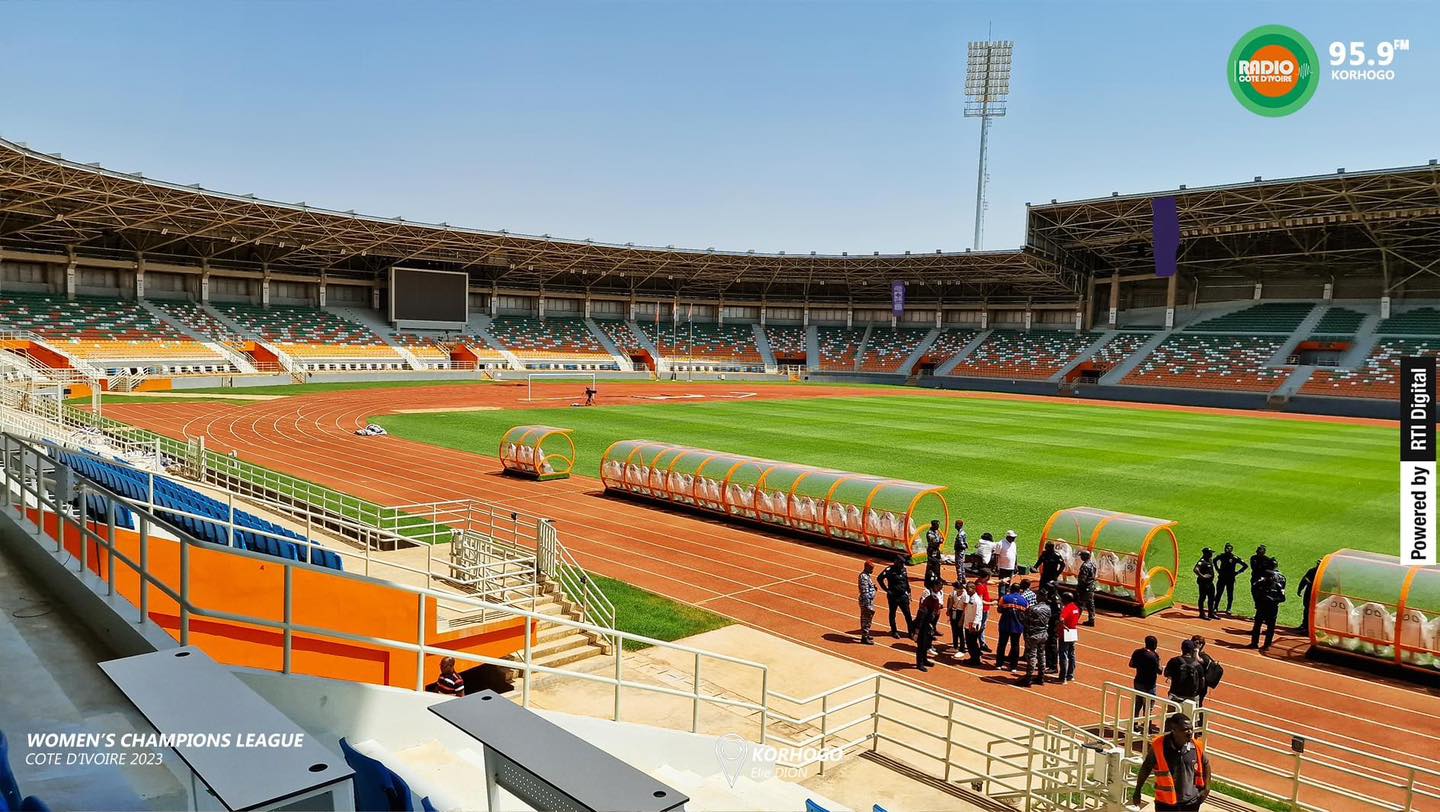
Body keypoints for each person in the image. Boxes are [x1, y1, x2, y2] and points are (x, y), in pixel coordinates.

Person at [1132, 714, 1211, 811]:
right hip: (1165, 803)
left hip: (1191, 802)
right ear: (1174, 730)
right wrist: (1138, 790)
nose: (1190, 732)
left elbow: (1206, 764)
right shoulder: (1159, 746)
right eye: (1185, 729)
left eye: (1191, 729)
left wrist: (1207, 788)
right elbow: (1146, 768)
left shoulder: (1196, 746)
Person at [1248, 562, 1287, 651]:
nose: (1268, 578)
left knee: (1270, 627)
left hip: (1272, 608)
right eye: (1267, 577)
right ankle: (1254, 643)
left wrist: (1272, 599)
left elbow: (1282, 598)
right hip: (1261, 607)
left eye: (1270, 577)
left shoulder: (1277, 586)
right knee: (1257, 625)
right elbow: (1255, 592)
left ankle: (1267, 645)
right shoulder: (1260, 584)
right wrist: (1259, 600)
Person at [1019, 586, 1053, 687]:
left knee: (1032, 656)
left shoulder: (1033, 609)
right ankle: (1041, 677)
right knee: (1042, 655)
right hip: (1043, 634)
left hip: (1033, 635)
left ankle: (1028, 678)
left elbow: (1025, 620)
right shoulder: (1048, 608)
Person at [876, 556, 913, 639]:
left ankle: (911, 632)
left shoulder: (904, 569)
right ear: (896, 562)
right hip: (893, 596)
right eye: (901, 563)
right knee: (892, 614)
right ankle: (894, 631)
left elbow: (906, 581)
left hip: (903, 595)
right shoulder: (889, 570)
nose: (902, 565)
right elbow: (879, 579)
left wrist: (909, 591)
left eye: (903, 564)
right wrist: (886, 590)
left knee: (907, 614)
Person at [996, 583, 1028, 672]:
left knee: (1002, 644)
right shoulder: (1024, 601)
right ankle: (1013, 666)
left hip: (1004, 625)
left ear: (1011, 589)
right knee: (1015, 645)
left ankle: (999, 664)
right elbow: (1026, 613)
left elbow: (999, 610)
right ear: (1019, 590)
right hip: (1017, 626)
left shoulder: (1004, 598)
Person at [1129, 636, 1162, 723]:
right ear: (1154, 645)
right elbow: (1160, 671)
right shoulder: (1154, 656)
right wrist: (1159, 659)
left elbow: (1131, 664)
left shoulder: (1137, 652)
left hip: (1138, 681)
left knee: (1138, 704)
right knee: (1148, 707)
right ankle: (1147, 726)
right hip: (1149, 685)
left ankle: (1134, 724)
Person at [1164, 639, 1204, 705]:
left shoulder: (1173, 661)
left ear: (1182, 648)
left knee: (1173, 711)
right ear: (1192, 650)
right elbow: (1202, 683)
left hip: (1175, 694)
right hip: (1192, 697)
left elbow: (1166, 673)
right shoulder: (1198, 665)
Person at [914, 585, 943, 672]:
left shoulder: (931, 610)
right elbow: (919, 622)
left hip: (927, 628)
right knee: (921, 646)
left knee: (926, 645)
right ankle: (919, 664)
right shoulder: (923, 611)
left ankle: (925, 660)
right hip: (921, 629)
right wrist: (916, 633)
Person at [1214, 543, 1248, 616]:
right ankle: (1215, 607)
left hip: (1230, 578)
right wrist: (1217, 569)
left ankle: (1229, 608)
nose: (1227, 550)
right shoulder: (1222, 556)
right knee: (1219, 593)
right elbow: (1214, 560)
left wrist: (1237, 572)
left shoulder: (1234, 558)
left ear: (1231, 550)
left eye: (1229, 549)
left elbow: (1245, 565)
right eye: (1226, 548)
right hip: (1222, 577)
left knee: (1230, 594)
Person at [1190, 635, 1222, 708]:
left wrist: (1196, 650)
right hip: (1194, 684)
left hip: (1201, 686)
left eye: (1196, 643)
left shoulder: (1204, 657)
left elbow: (1199, 660)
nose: (1193, 645)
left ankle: (1200, 715)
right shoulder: (1193, 654)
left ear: (1201, 645)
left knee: (1198, 704)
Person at [1058, 590, 1081, 683]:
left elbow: (1061, 619)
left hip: (1065, 632)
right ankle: (1070, 675)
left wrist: (1062, 625)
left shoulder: (1067, 608)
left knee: (1063, 654)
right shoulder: (1076, 608)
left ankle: (1063, 677)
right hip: (1073, 631)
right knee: (1071, 654)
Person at [961, 581, 985, 666]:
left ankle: (975, 659)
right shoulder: (970, 598)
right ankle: (974, 657)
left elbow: (978, 614)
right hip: (969, 623)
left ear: (973, 589)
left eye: (968, 588)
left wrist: (974, 626)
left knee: (972, 643)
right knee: (970, 642)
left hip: (973, 625)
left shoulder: (977, 600)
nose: (966, 590)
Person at [1296, 559, 1320, 635]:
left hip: (1316, 595)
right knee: (1307, 609)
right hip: (1310, 593)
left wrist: (1300, 589)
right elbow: (1304, 580)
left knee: (1312, 611)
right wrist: (1300, 589)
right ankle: (1305, 625)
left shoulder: (1318, 572)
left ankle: (1309, 628)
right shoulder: (1312, 571)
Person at [1193, 548, 1218, 620]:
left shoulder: (1209, 560)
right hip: (1203, 583)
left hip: (1210, 582)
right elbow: (1195, 569)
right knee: (1202, 597)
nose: (1211, 554)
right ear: (1206, 553)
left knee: (1211, 597)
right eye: (1210, 553)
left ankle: (1211, 613)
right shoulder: (1202, 561)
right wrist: (1202, 576)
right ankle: (1202, 614)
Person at [857, 561, 877, 645]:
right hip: (866, 601)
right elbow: (865, 592)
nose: (872, 570)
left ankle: (866, 633)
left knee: (868, 618)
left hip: (869, 601)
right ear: (866, 567)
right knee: (866, 619)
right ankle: (864, 637)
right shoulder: (864, 577)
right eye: (871, 568)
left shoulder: (867, 575)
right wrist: (868, 605)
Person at [973, 568, 994, 652]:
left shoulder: (980, 581)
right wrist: (991, 603)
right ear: (986, 576)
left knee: (981, 626)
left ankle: (981, 643)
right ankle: (981, 643)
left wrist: (1001, 581)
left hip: (984, 608)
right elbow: (980, 600)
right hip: (983, 609)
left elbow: (992, 582)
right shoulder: (980, 586)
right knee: (981, 626)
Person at [1076, 549, 1098, 626]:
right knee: (1090, 604)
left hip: (1085, 588)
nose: (1081, 557)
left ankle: (1074, 619)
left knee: (1080, 604)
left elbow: (1082, 579)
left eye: (1082, 555)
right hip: (1091, 587)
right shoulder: (1093, 564)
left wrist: (1079, 588)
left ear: (1085, 556)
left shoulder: (1085, 566)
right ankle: (1091, 619)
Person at [945, 579, 966, 652]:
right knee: (954, 629)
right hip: (954, 611)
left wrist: (961, 619)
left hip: (961, 612)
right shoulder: (954, 592)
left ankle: (962, 647)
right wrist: (948, 610)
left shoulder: (965, 595)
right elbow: (951, 601)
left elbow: (965, 608)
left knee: (960, 631)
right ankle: (955, 646)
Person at [923, 520, 944, 589]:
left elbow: (941, 539)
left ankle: (938, 577)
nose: (938, 526)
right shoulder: (929, 533)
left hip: (936, 550)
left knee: (938, 563)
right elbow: (935, 542)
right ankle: (928, 578)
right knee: (931, 564)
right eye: (937, 525)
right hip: (932, 551)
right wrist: (939, 541)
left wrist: (939, 541)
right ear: (933, 525)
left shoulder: (936, 532)